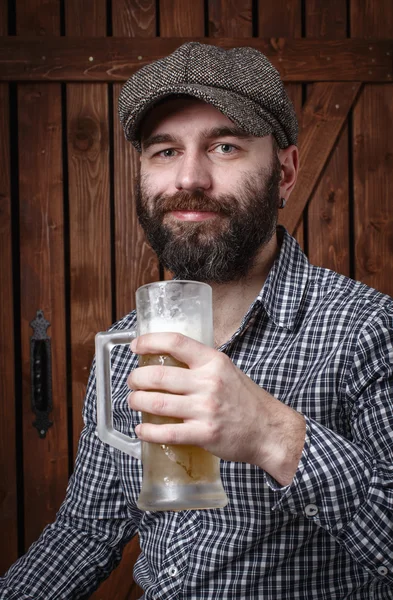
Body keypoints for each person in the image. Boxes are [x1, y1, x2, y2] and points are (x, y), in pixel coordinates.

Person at [1, 42, 392, 599]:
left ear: (285, 172)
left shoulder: (369, 330)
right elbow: (86, 531)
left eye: (225, 146)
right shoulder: (131, 342)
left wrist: (273, 435)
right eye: (164, 151)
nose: (189, 178)